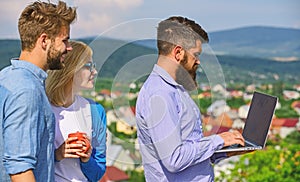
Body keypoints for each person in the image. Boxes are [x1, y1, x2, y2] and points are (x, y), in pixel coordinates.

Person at [135, 16, 248, 182]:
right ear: (178, 53)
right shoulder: (160, 94)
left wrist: (224, 150)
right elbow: (174, 159)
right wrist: (218, 140)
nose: (198, 61)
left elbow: (188, 153)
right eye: (196, 54)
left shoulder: (176, 89)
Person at [0, 1, 76, 181]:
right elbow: (20, 170)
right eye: (64, 40)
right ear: (44, 41)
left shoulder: (7, 77)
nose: (69, 47)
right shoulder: (27, 90)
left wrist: (54, 155)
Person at [46, 41, 107, 182]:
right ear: (71, 69)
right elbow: (30, 161)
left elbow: (97, 173)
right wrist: (57, 154)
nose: (95, 72)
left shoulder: (95, 111)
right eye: (89, 66)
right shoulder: (43, 107)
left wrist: (87, 159)